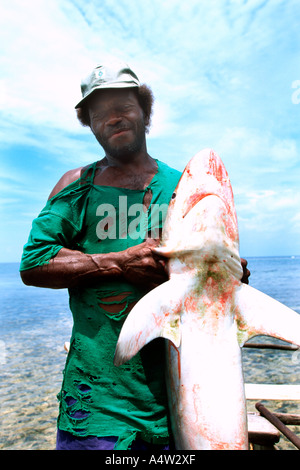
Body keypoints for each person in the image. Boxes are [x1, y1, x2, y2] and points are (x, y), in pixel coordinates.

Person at [20, 60, 250, 450]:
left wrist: (229, 275)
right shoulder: (76, 186)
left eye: (124, 107)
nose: (112, 119)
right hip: (98, 408)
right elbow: (34, 263)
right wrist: (119, 262)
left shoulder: (185, 189)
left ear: (145, 111)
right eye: (98, 115)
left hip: (184, 404)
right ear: (89, 126)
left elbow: (219, 273)